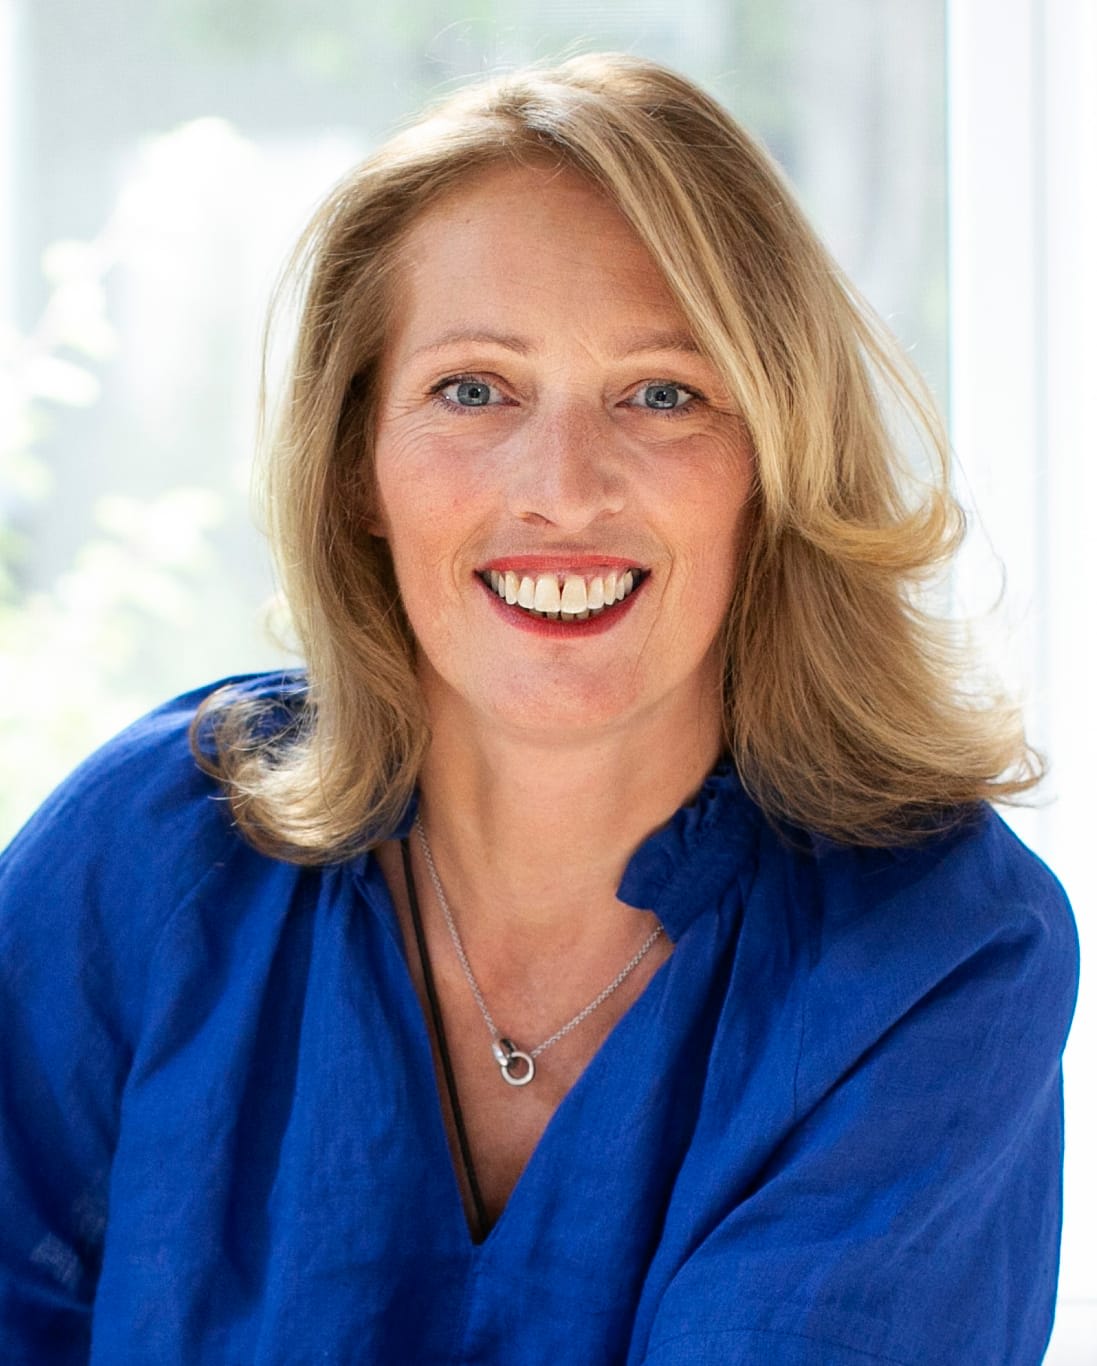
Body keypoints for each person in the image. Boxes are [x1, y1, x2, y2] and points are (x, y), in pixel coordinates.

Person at [0, 51, 1079, 1366]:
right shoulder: (146, 849)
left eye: (661, 393)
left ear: (773, 463)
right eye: (473, 389)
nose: (562, 488)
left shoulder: (935, 949)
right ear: (358, 466)